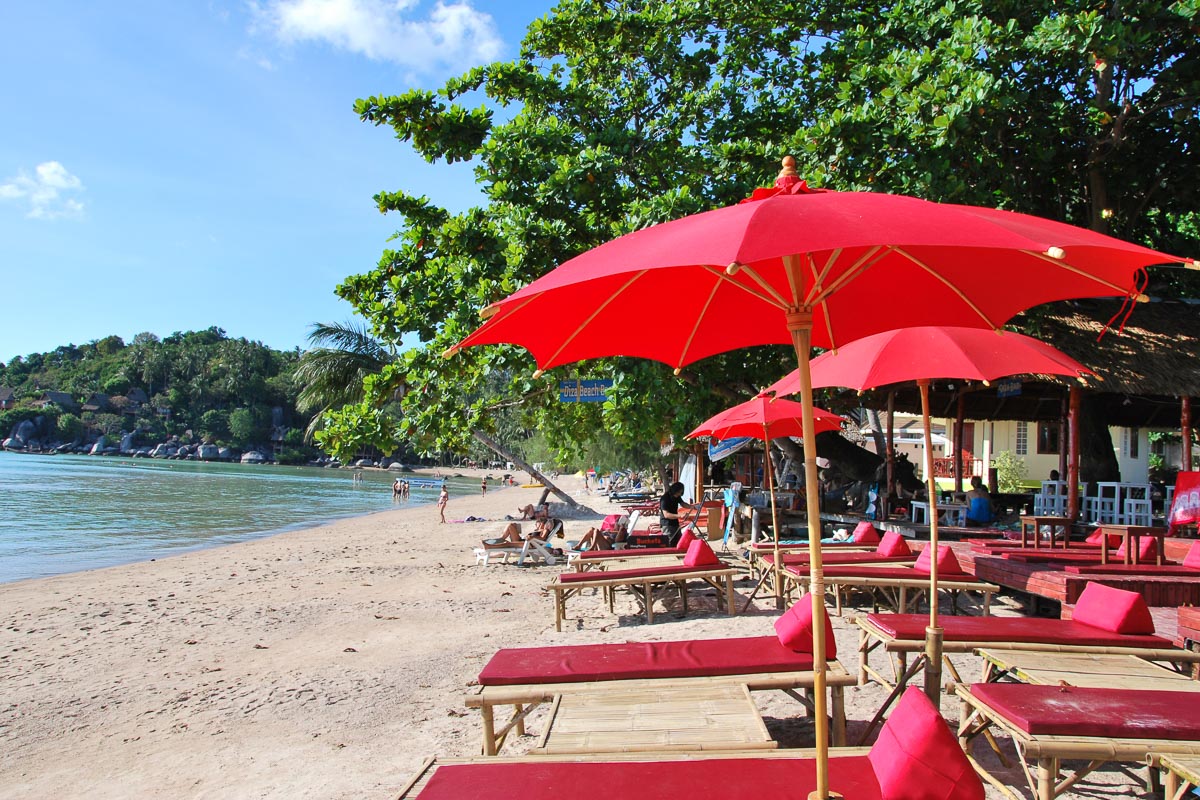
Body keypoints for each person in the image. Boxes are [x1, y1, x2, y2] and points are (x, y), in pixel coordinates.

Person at [659, 481, 697, 546]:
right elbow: (666, 515)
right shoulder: (665, 498)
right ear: (675, 490)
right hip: (667, 524)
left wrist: (691, 507)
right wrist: (680, 516)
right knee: (669, 543)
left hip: (675, 523)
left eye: (681, 493)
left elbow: (683, 504)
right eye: (679, 492)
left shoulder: (677, 497)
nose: (679, 494)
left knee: (679, 541)